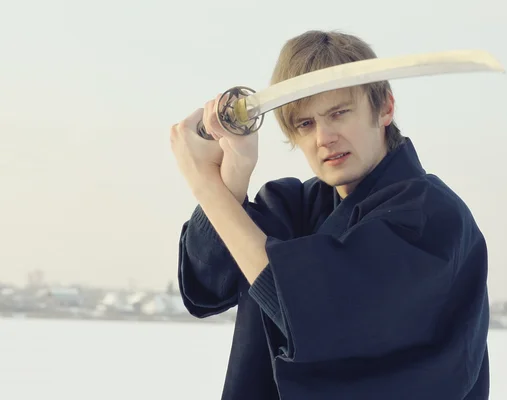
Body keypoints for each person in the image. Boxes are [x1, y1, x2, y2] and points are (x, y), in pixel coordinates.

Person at [170, 30, 490, 400]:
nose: (324, 137)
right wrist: (232, 178)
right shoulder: (292, 206)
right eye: (305, 124)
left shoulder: (431, 218)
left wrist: (207, 186)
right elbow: (208, 285)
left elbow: (308, 316)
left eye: (338, 113)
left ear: (385, 107)